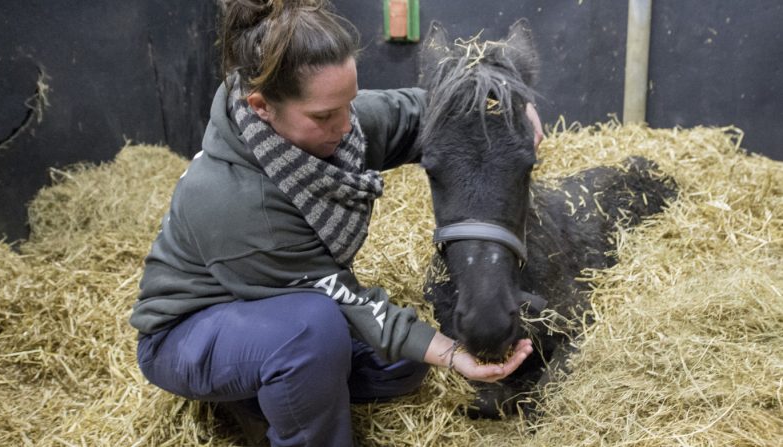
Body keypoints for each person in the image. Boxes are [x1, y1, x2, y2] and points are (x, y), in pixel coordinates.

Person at [130, 1, 539, 445]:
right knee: (312, 331)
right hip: (192, 331)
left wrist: (508, 104)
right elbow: (337, 295)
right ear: (262, 106)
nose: (346, 127)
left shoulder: (333, 122)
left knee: (405, 363)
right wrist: (453, 353)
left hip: (275, 305)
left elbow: (431, 110)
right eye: (325, 115)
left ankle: (264, 396)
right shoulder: (233, 198)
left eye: (349, 102)